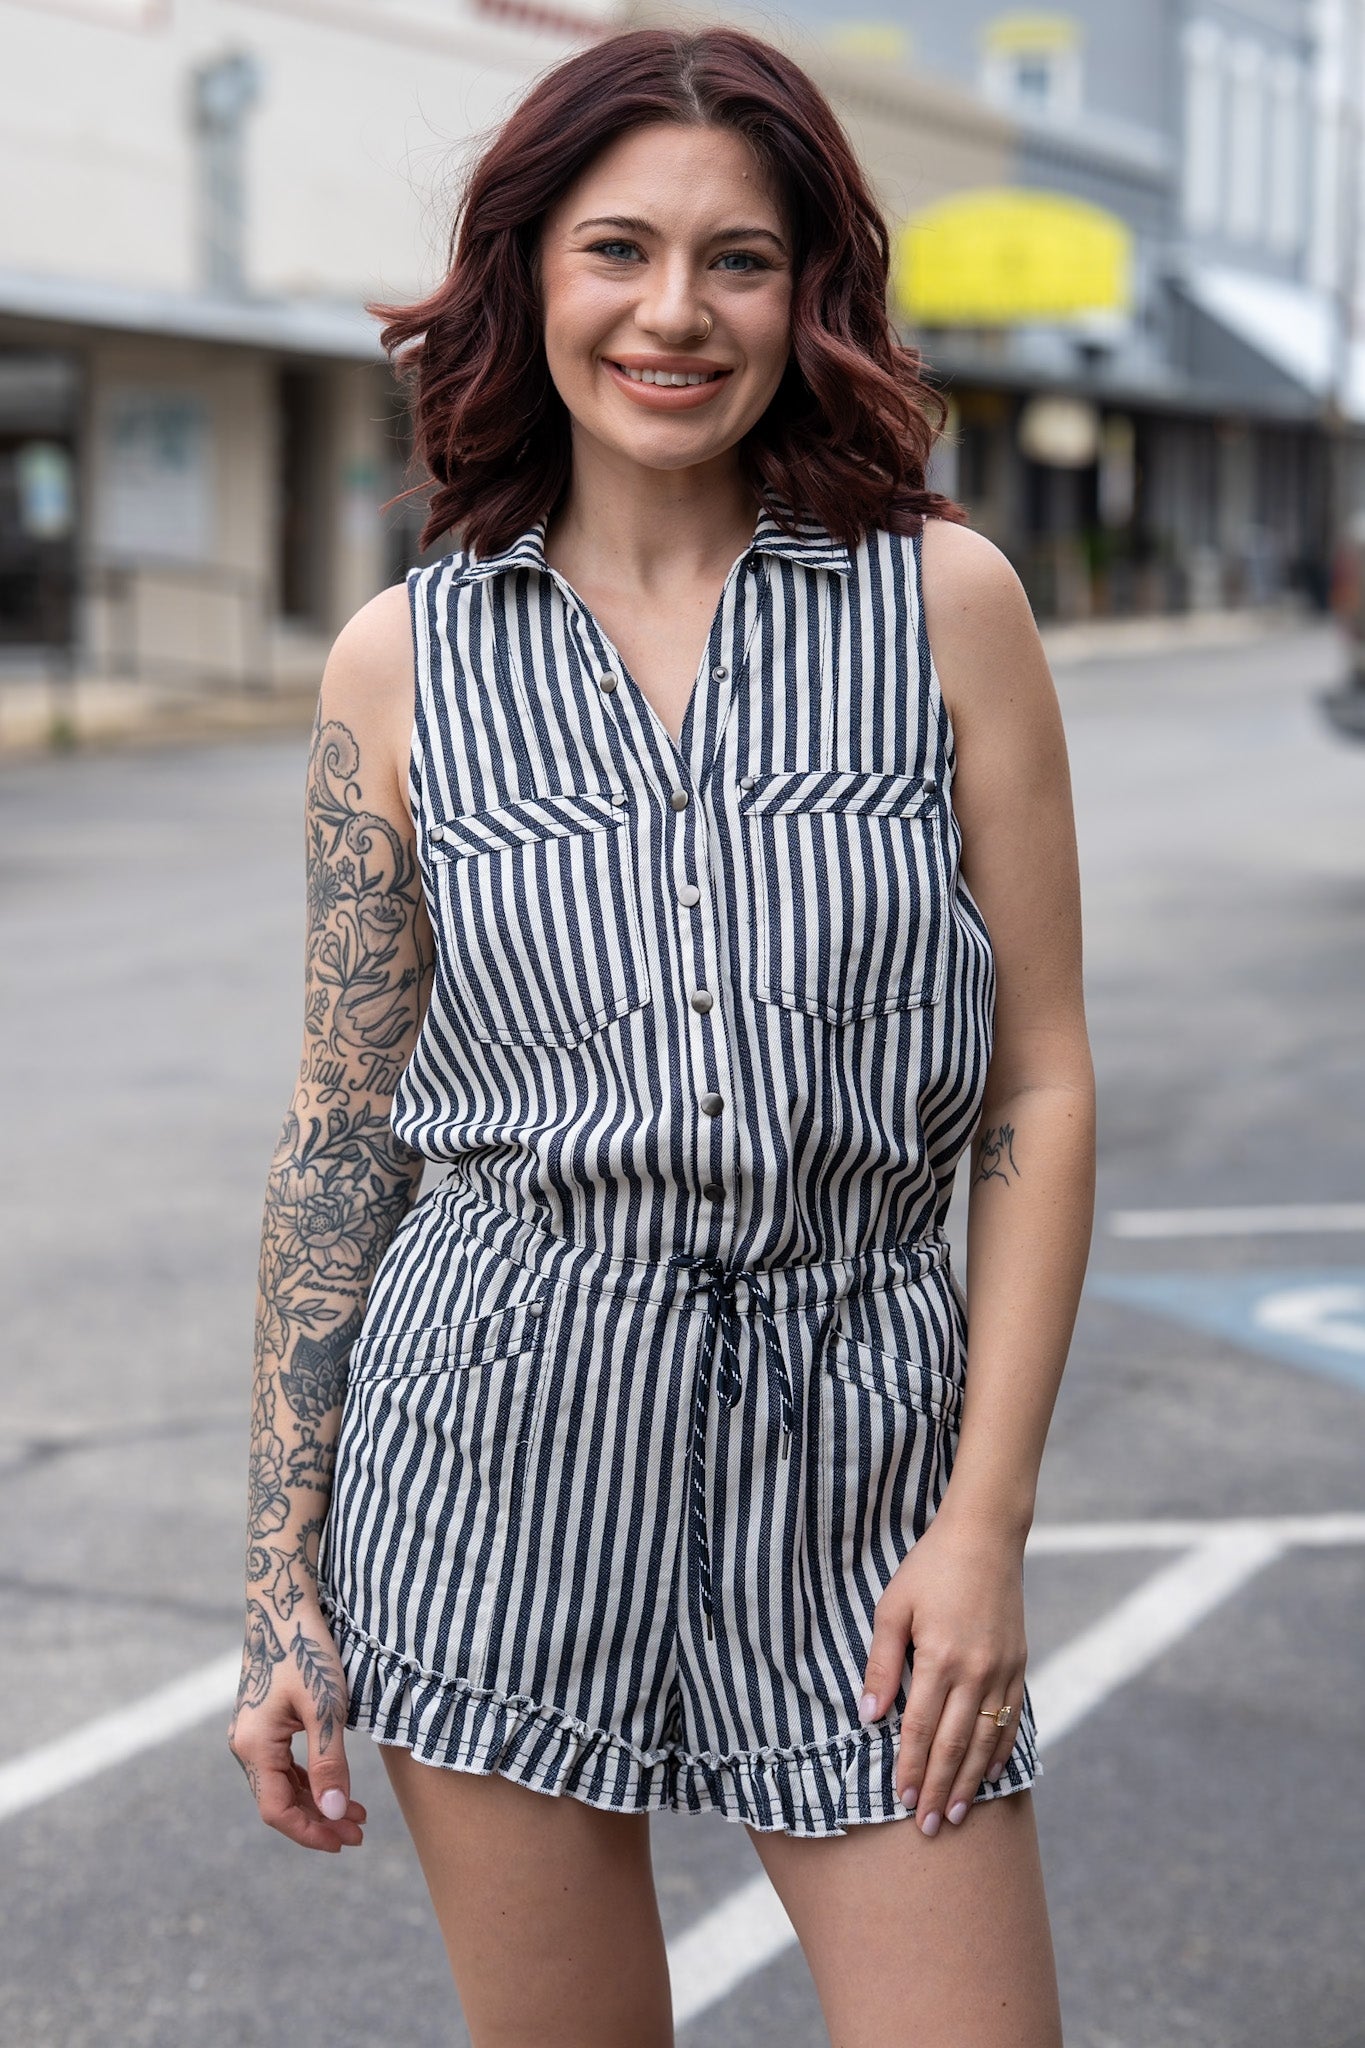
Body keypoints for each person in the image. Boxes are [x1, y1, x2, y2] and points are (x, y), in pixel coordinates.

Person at [228, 25, 1095, 2047]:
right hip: (499, 1450)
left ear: (809, 294)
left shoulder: (942, 606)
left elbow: (1038, 1087)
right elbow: (342, 1138)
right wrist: (280, 1586)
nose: (671, 313)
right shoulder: (402, 665)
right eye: (616, 248)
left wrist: (982, 1526)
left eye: (739, 259)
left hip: (859, 1455)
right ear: (528, 273)